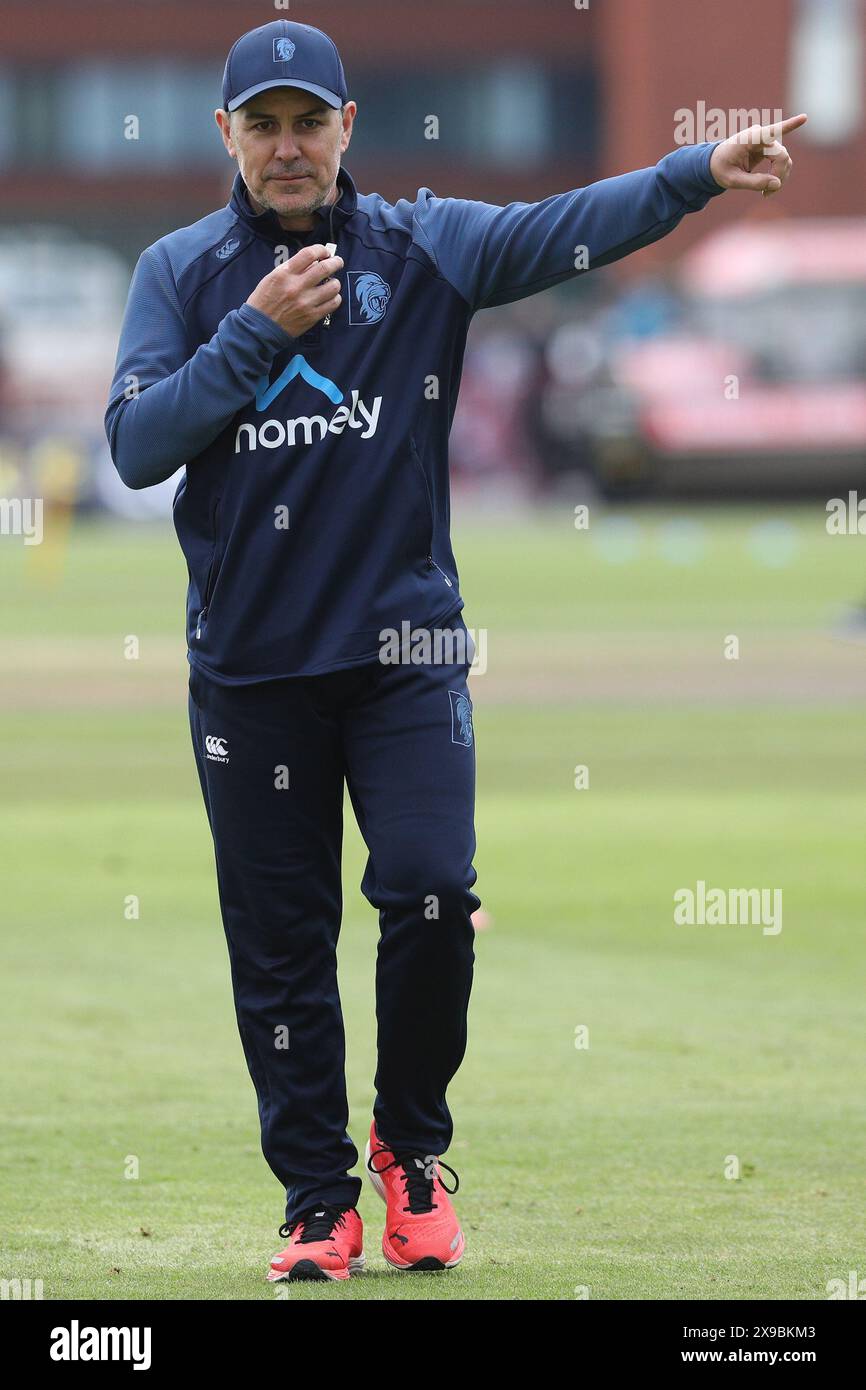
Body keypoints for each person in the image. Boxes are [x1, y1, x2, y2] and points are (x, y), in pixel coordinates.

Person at [104, 17, 804, 1282]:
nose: (285, 146)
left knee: (429, 888)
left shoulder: (421, 244)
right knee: (280, 945)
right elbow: (140, 444)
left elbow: (562, 227)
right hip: (253, 670)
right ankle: (316, 1201)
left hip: (405, 654)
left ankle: (408, 1150)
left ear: (346, 128)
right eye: (259, 125)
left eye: (306, 122)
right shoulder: (181, 270)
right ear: (227, 137)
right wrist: (257, 329)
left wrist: (694, 174)